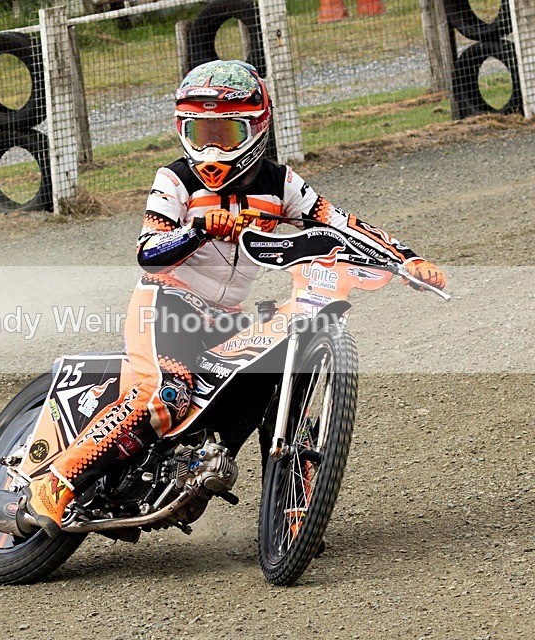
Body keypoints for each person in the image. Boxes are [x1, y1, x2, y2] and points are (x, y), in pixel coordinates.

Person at [24, 60, 446, 536]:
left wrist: (407, 259)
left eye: (224, 134)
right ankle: (56, 481)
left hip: (223, 318)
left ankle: (292, 511)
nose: (209, 148)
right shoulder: (176, 180)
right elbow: (149, 252)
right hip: (165, 302)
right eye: (198, 132)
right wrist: (198, 229)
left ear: (257, 129)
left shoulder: (282, 184)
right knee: (168, 392)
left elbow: (340, 222)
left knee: (267, 378)